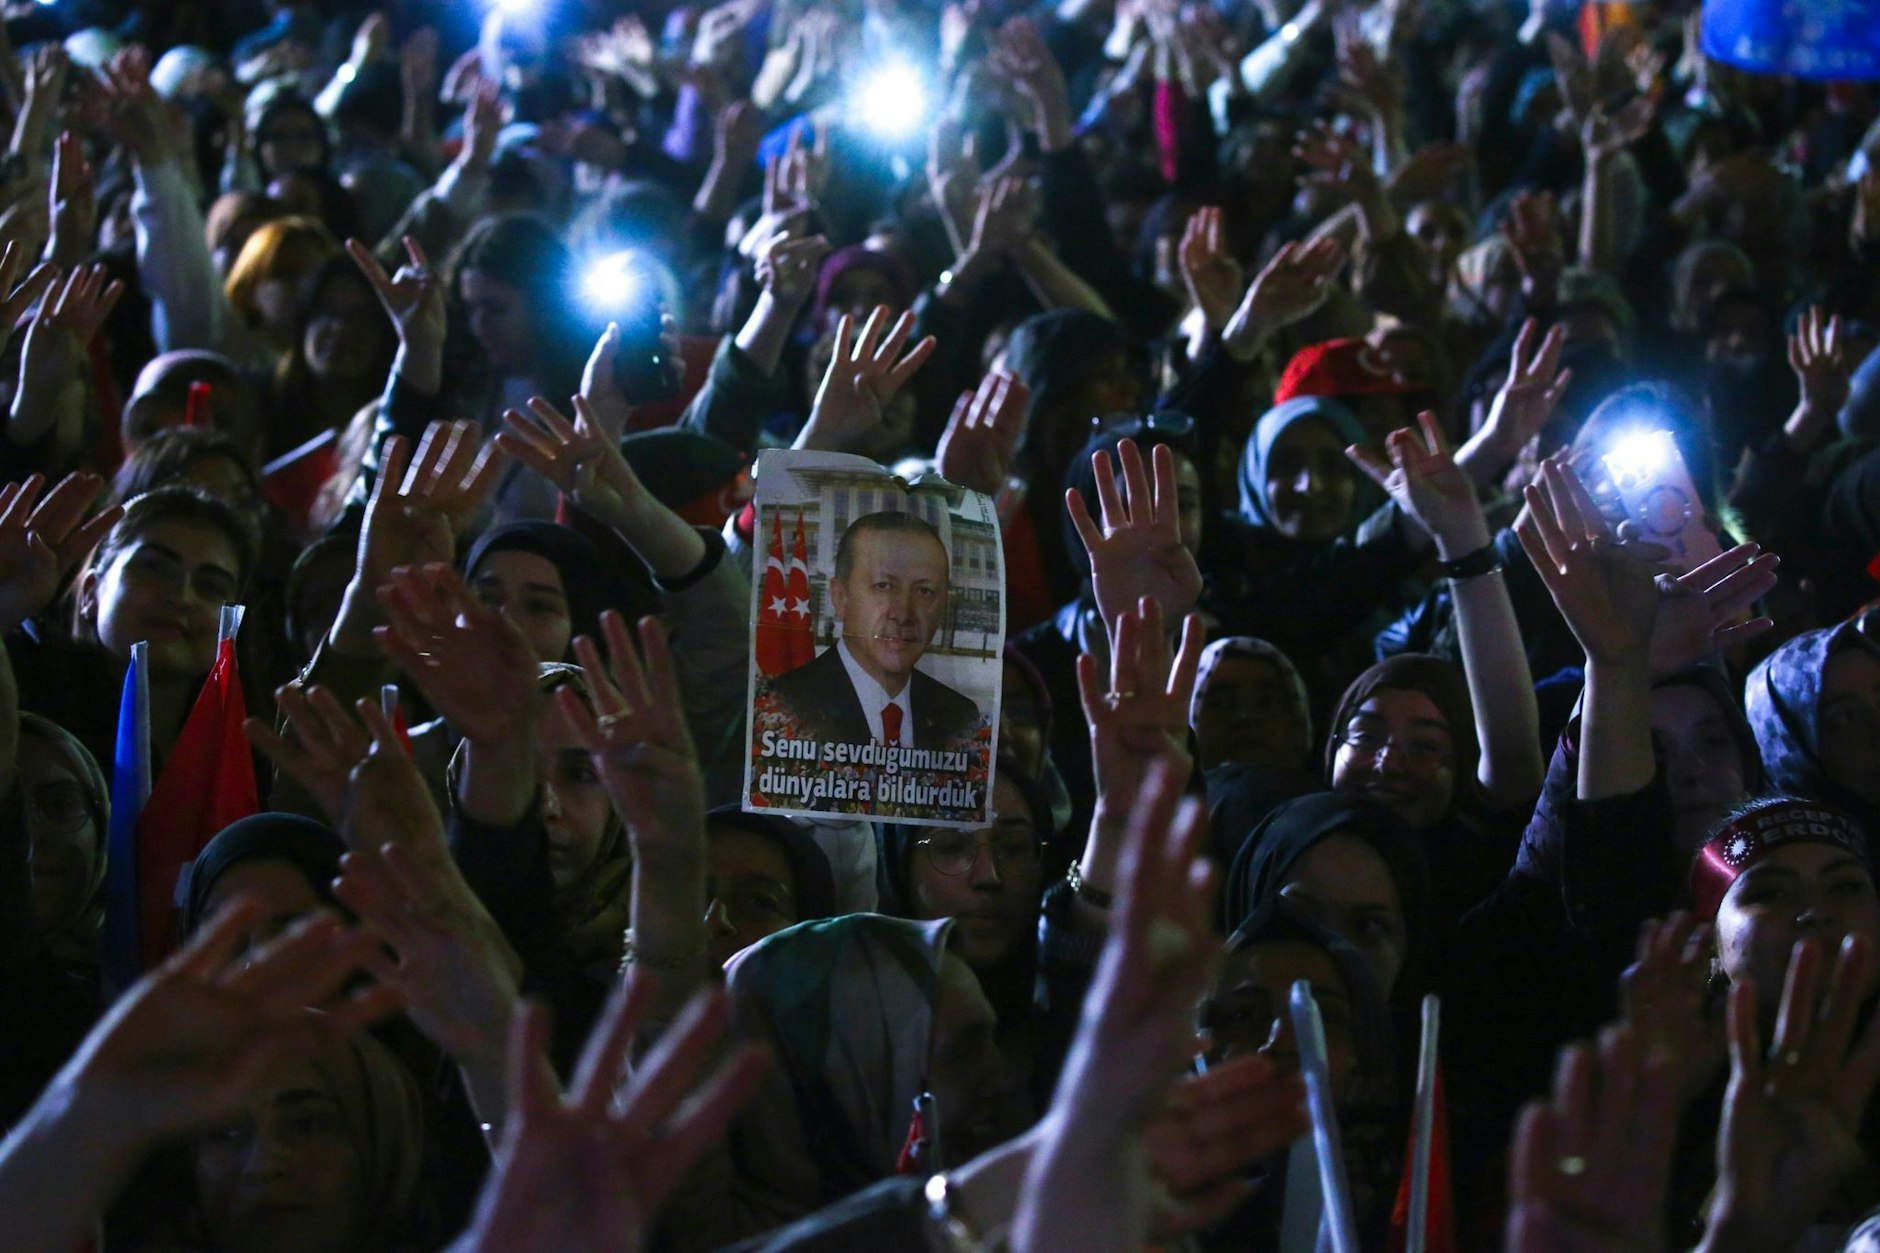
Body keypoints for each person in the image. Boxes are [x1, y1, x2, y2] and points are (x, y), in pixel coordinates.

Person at [767, 510, 981, 750]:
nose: (903, 614)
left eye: (924, 591)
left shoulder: (960, 715)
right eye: (884, 586)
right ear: (840, 597)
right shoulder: (783, 704)